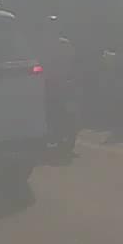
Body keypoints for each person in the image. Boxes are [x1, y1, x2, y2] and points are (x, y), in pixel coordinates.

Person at [40, 15, 78, 153]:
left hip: (61, 83)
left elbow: (72, 63)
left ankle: (60, 133)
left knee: (68, 110)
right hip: (50, 83)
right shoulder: (47, 45)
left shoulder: (62, 44)